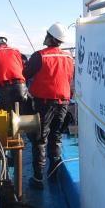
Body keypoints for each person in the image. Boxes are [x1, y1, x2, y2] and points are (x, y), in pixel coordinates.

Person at [24, 22, 74, 189]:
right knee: (57, 137)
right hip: (64, 104)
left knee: (40, 140)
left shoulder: (39, 56)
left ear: (50, 38)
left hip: (44, 104)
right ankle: (53, 175)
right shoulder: (69, 57)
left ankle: (38, 179)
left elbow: (25, 74)